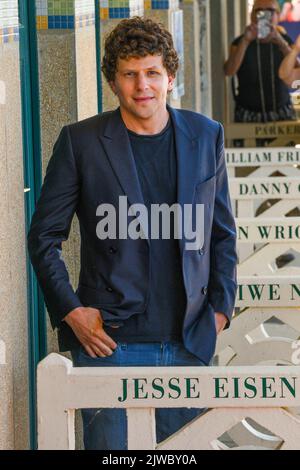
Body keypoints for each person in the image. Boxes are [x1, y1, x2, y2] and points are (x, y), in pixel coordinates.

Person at [27, 17, 237, 450]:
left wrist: (220, 311)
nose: (143, 85)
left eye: (152, 72)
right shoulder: (80, 142)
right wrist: (72, 311)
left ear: (170, 77)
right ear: (113, 81)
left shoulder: (205, 135)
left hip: (188, 340)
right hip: (110, 342)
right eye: (130, 74)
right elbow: (44, 236)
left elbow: (222, 234)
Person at [224, 0, 296, 123]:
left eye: (270, 11)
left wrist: (281, 43)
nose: (264, 15)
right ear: (252, 16)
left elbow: (297, 76)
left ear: (278, 15)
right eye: (259, 11)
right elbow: (229, 70)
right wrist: (246, 41)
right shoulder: (240, 42)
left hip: (282, 113)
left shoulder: (285, 41)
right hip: (248, 114)